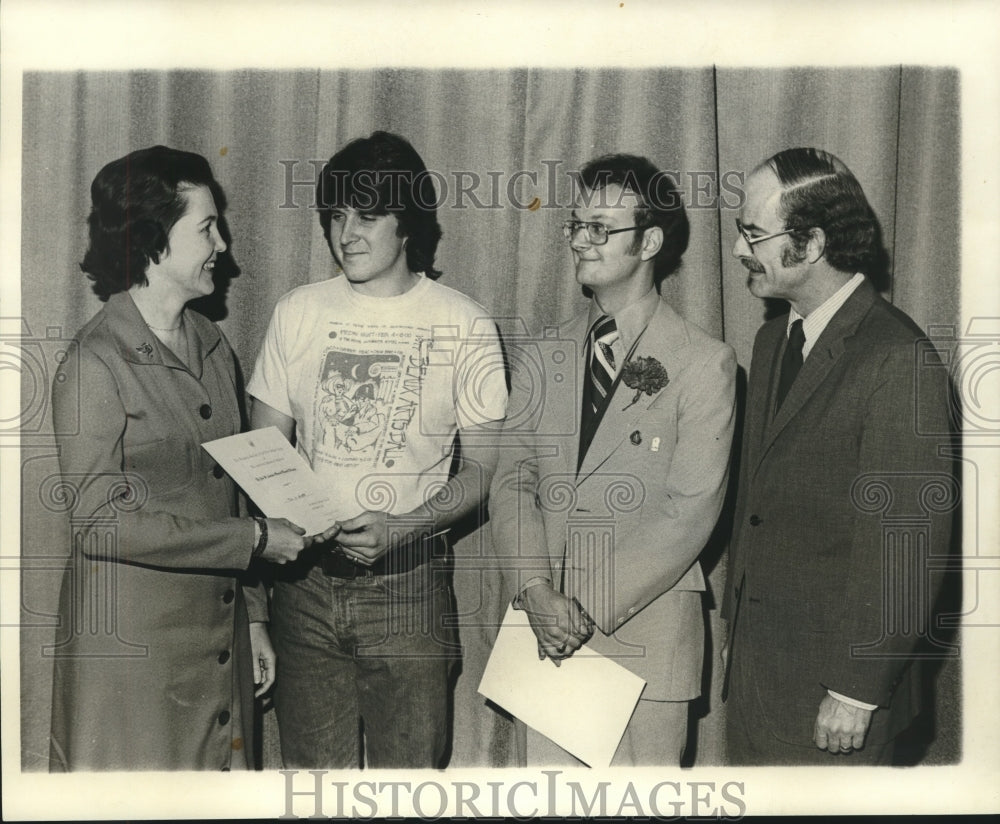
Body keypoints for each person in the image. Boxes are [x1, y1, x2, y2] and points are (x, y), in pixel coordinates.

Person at [248, 131, 507, 768]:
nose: (346, 234)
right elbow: (259, 459)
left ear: (408, 222)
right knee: (312, 793)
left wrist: (404, 528)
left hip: (408, 588)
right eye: (335, 216)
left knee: (409, 791)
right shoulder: (297, 312)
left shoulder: (464, 323)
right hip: (303, 588)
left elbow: (483, 473)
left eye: (367, 215)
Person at [48, 146, 310, 771]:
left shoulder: (212, 344)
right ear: (153, 241)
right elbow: (99, 522)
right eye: (207, 228)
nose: (223, 244)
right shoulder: (94, 363)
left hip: (217, 643)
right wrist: (250, 539)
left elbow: (233, 487)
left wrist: (253, 618)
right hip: (131, 653)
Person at [489, 153, 737, 766]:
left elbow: (690, 510)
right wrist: (538, 593)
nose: (580, 240)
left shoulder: (704, 362)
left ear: (650, 241)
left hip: (642, 641)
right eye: (576, 225)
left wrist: (579, 607)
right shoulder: (544, 353)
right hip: (546, 634)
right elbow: (513, 482)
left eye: (601, 228)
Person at [722, 147, 955, 765]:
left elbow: (906, 546)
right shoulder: (774, 338)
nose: (739, 249)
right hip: (757, 678)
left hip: (835, 697)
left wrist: (856, 688)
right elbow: (758, 505)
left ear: (813, 242)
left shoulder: (898, 359)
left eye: (753, 233)